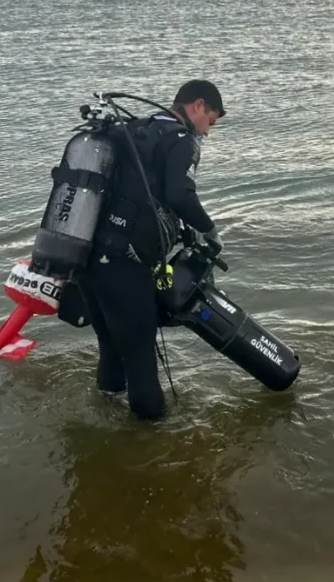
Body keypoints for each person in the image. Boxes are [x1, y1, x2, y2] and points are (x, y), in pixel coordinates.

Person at [73, 79, 226, 420]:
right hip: (125, 266)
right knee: (141, 356)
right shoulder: (181, 141)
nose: (208, 132)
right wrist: (210, 232)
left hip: (87, 258)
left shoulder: (136, 130)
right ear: (197, 105)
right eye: (211, 122)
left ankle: (106, 414)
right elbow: (179, 196)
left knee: (111, 346)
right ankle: (153, 445)